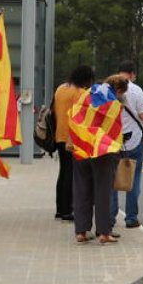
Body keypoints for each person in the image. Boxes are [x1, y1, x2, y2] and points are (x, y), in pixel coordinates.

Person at [71, 73, 124, 244]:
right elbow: (115, 129)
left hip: (81, 146)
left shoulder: (86, 95)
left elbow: (74, 116)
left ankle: (81, 231)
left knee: (81, 190)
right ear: (118, 89)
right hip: (102, 151)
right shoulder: (112, 102)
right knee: (103, 191)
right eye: (121, 93)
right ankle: (103, 232)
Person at [112, 61, 143, 228]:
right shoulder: (136, 90)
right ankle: (131, 218)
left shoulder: (109, 89)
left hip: (112, 141)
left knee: (111, 180)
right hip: (133, 142)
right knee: (134, 180)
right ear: (132, 74)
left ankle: (110, 218)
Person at [52, 66, 90, 221]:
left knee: (63, 172)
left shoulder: (60, 89)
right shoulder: (80, 93)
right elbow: (81, 117)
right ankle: (68, 210)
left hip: (59, 135)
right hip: (72, 138)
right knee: (70, 174)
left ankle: (60, 209)